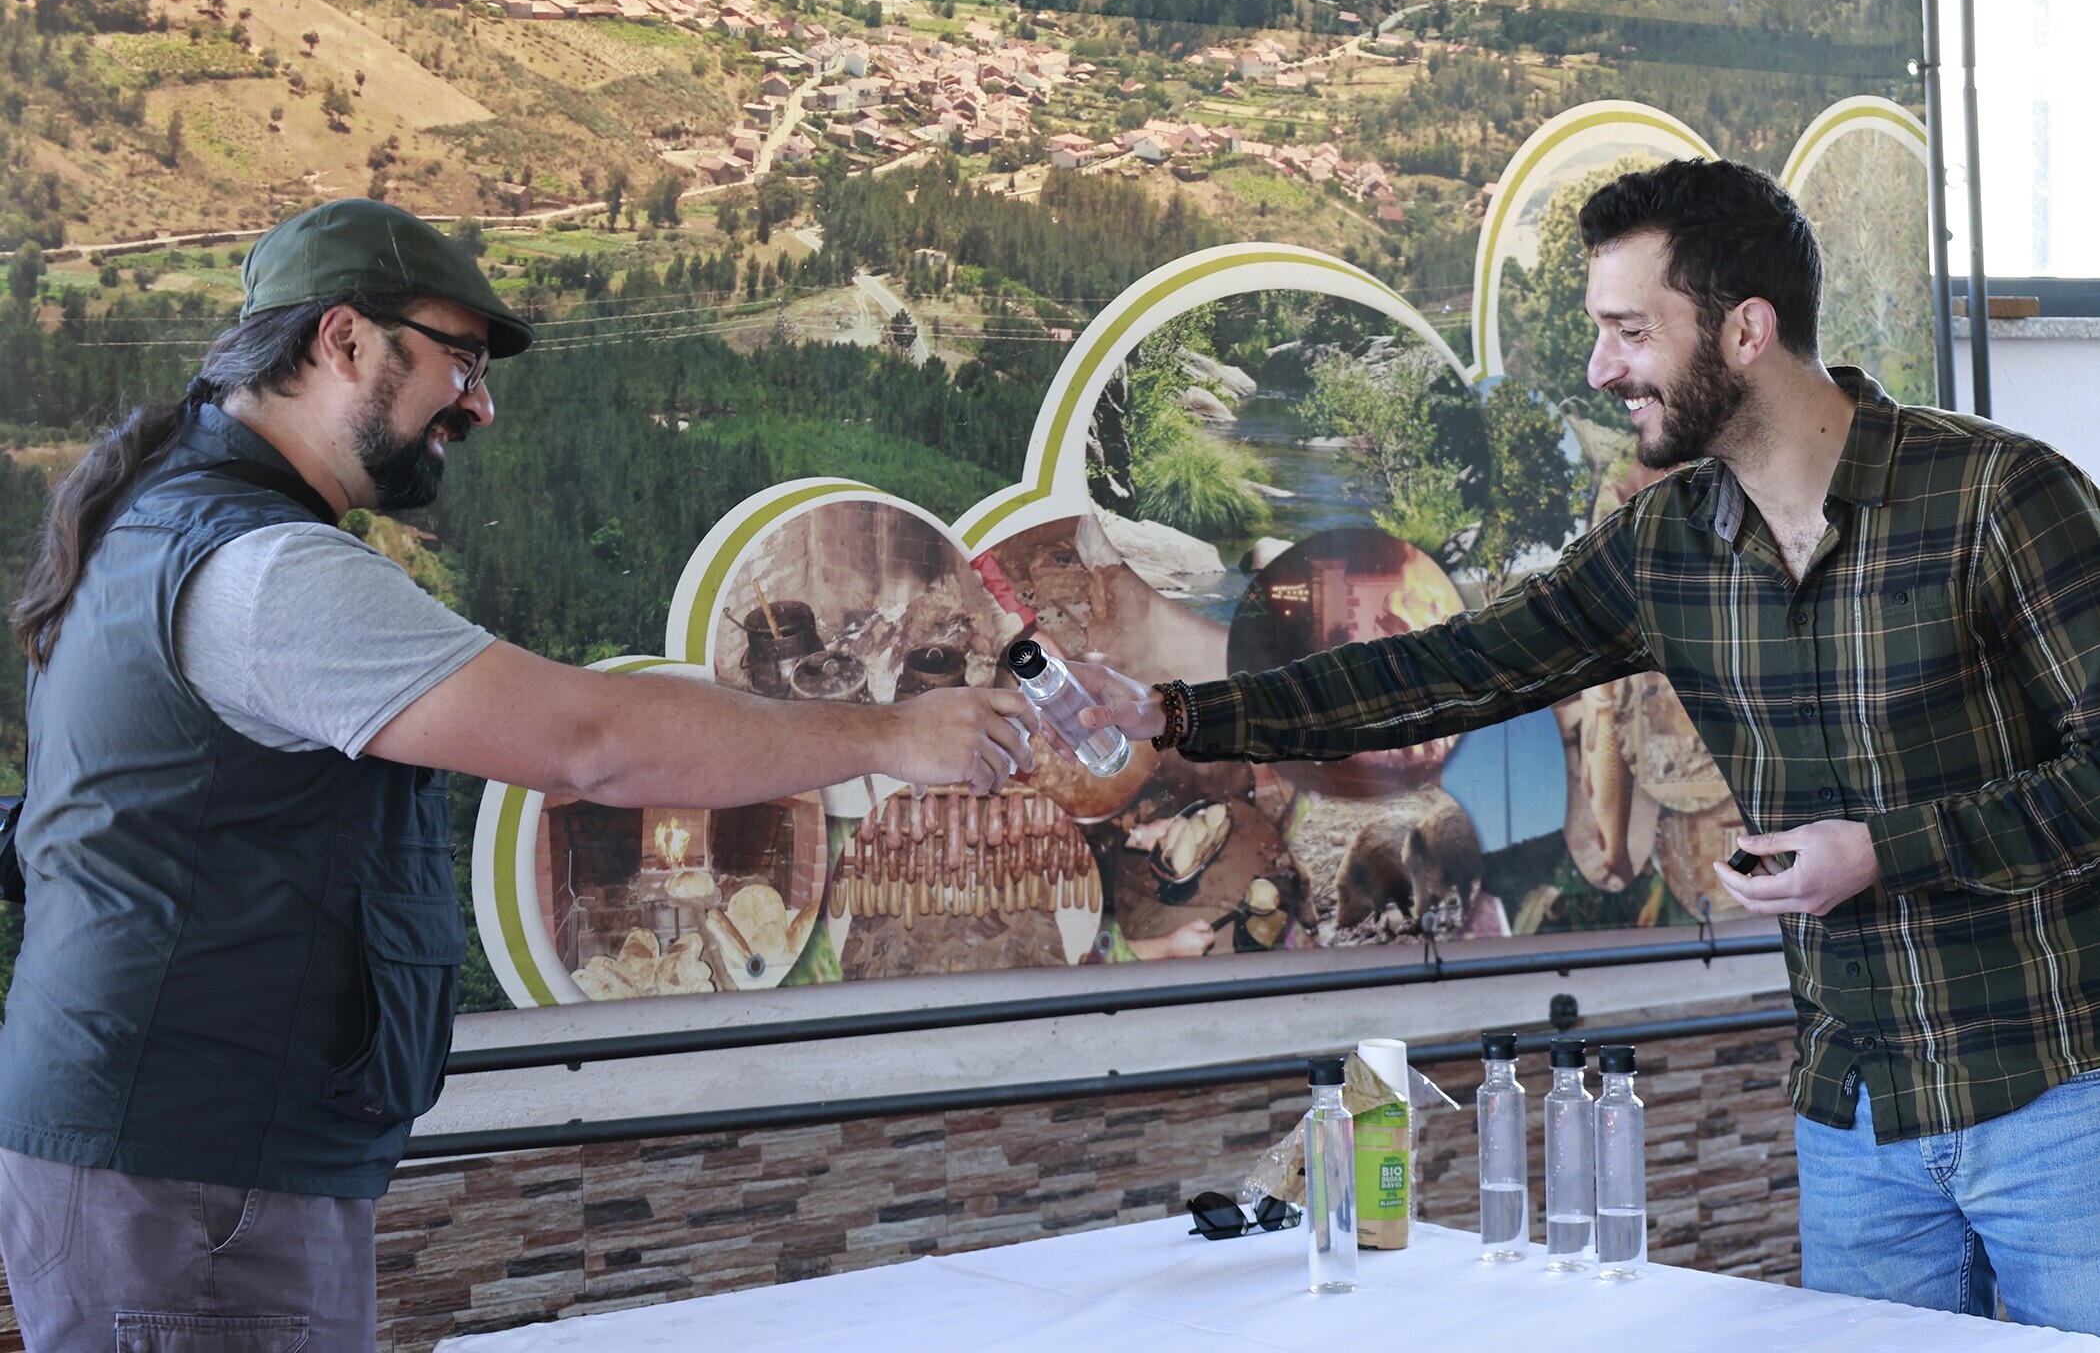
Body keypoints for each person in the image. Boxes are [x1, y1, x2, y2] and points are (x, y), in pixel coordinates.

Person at [1075, 158, 2100, 1333]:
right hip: (1856, 1115)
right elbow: (1441, 669)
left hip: (2063, 1096)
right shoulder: (1664, 543)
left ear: (1747, 330)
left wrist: (1883, 849)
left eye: (1630, 330)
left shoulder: (1998, 496)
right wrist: (1178, 714)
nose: (1604, 368)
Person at [0, 199, 1035, 1348]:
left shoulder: (167, 526)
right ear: (344, 340)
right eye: (463, 361)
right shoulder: (267, 574)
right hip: (197, 1190)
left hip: (162, 1164)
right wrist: (895, 737)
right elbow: (592, 742)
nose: (479, 405)